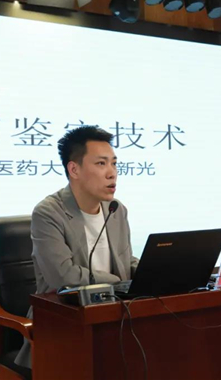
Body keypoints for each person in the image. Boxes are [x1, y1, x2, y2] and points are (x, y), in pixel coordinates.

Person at [14, 125, 139, 369]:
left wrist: (153, 272)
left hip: (115, 316)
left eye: (114, 163)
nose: (112, 173)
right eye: (101, 164)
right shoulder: (49, 213)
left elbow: (126, 261)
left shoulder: (116, 210)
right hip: (64, 322)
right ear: (74, 169)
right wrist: (117, 282)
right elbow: (63, 277)